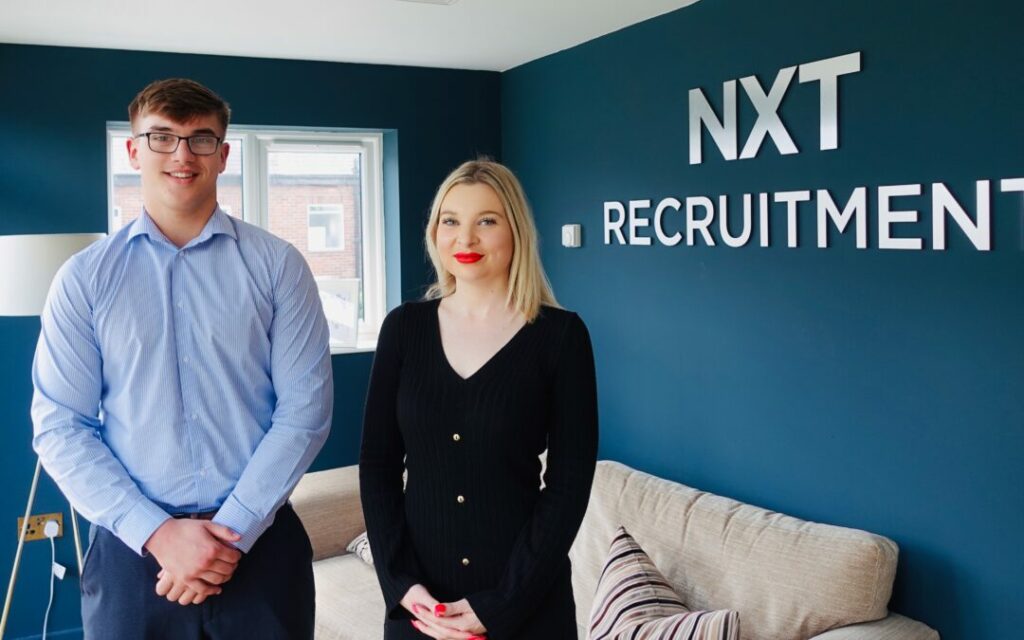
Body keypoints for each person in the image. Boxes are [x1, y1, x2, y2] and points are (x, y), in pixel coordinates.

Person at [31, 78, 333, 639]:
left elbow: (304, 414)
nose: (182, 155)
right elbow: (60, 426)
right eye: (162, 137)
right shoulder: (84, 279)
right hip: (132, 554)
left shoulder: (279, 267)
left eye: (200, 139)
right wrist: (159, 534)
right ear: (133, 150)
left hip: (260, 549)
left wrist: (232, 532)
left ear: (223, 154)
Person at [359, 159, 598, 640]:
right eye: (451, 221)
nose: (465, 239)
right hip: (421, 611)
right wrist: (402, 586)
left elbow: (569, 485)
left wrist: (501, 604)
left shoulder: (561, 336)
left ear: (516, 230)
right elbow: (377, 465)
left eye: (486, 221)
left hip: (527, 608)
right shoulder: (404, 329)